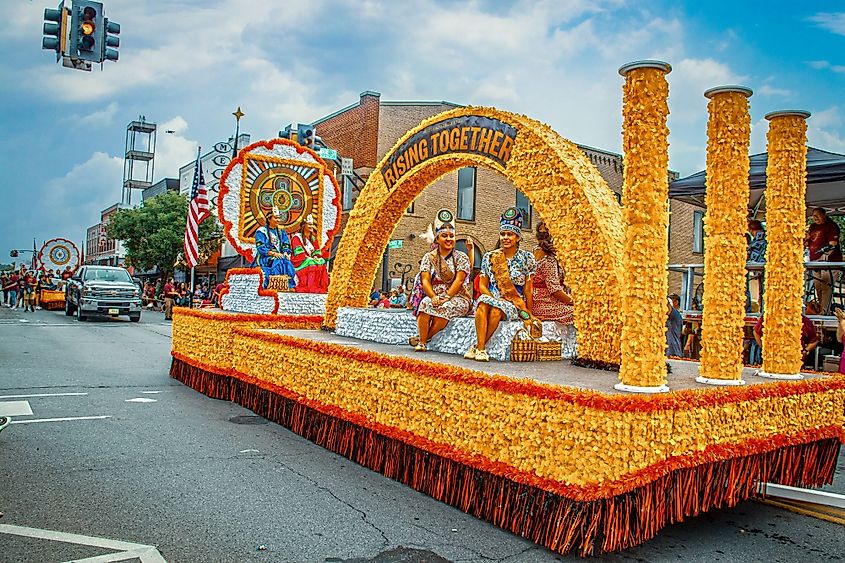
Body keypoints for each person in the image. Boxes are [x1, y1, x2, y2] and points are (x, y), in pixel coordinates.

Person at [466, 207, 538, 362]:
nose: (506, 237)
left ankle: (478, 347)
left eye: (510, 234)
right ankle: (481, 350)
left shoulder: (528, 258)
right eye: (503, 234)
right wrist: (493, 298)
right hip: (492, 295)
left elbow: (528, 289)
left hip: (514, 302)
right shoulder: (489, 257)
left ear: (517, 237)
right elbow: (483, 286)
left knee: (496, 312)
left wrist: (529, 313)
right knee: (483, 305)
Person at [413, 209, 472, 351]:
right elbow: (425, 280)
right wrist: (433, 296)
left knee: (445, 307)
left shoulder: (461, 257)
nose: (448, 239)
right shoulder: (429, 257)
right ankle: (421, 342)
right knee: (425, 303)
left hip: (458, 296)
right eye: (444, 236)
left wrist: (446, 297)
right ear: (437, 239)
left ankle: (425, 337)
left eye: (451, 236)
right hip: (435, 296)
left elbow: (459, 280)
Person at [754, 302, 820, 368]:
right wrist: (764, 347)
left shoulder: (804, 321)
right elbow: (756, 332)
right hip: (772, 360)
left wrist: (806, 350)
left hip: (795, 363)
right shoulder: (770, 316)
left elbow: (814, 340)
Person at [530, 221, 573, 323]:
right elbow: (555, 290)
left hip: (537, 301)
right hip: (545, 303)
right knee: (579, 313)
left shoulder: (535, 250)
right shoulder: (548, 258)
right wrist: (574, 302)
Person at [806, 207, 842, 313]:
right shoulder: (813, 227)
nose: (815, 218)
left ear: (824, 215)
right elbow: (809, 241)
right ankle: (821, 310)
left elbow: (833, 244)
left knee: (826, 286)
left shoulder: (831, 226)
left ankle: (824, 312)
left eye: (818, 215)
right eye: (813, 216)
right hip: (815, 262)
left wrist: (824, 257)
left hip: (829, 262)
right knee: (818, 287)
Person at [255, 206, 297, 290]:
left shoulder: (281, 232)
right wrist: (273, 253)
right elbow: (260, 247)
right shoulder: (261, 231)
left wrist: (285, 252)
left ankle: (287, 286)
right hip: (266, 257)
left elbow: (286, 244)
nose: (278, 220)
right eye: (275, 218)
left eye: (279, 218)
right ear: (269, 219)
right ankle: (274, 286)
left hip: (279, 255)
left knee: (286, 261)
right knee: (278, 261)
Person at [290, 214, 330, 293]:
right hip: (299, 262)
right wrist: (310, 258)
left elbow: (317, 251)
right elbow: (299, 254)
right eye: (310, 224)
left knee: (321, 261)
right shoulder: (296, 238)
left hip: (310, 259)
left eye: (312, 224)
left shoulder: (313, 238)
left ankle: (318, 286)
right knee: (311, 262)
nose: (312, 226)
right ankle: (309, 286)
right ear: (304, 225)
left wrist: (315, 256)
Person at [746, 219, 767, 313]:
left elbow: (755, 251)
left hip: (760, 266)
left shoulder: (759, 237)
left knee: (763, 290)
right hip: (762, 267)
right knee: (762, 290)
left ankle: (763, 311)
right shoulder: (765, 235)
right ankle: (763, 310)